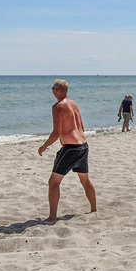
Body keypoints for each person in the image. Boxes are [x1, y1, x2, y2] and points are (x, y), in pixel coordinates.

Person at [37, 79, 97, 222]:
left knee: (53, 182)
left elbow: (56, 132)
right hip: (83, 145)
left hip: (71, 148)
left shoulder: (58, 106)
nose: (52, 91)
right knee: (84, 179)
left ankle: (52, 217)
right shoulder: (74, 104)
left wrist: (44, 146)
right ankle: (94, 209)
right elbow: (80, 127)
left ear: (57, 90)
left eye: (53, 88)